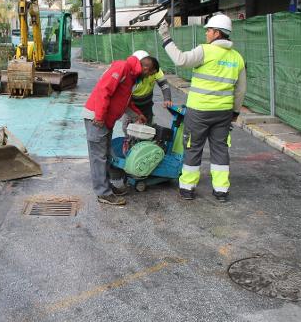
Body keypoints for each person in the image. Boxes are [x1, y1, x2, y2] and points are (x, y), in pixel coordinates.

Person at [158, 14, 246, 202]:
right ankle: (221, 190)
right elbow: (240, 90)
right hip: (223, 113)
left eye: (209, 30)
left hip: (199, 112)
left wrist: (166, 38)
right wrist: (235, 113)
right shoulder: (237, 58)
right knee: (220, 149)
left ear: (217, 33)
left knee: (193, 147)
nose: (206, 33)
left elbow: (181, 60)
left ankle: (188, 188)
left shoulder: (205, 51)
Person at [83, 55, 157, 205]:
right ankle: (103, 193)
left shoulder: (131, 76)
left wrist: (138, 115)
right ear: (147, 68)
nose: (149, 77)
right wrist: (99, 115)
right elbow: (104, 90)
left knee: (105, 154)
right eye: (151, 73)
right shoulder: (122, 67)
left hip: (104, 120)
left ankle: (107, 188)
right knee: (99, 157)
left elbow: (125, 102)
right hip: (97, 118)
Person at [122, 51, 173, 132]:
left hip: (147, 106)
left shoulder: (154, 69)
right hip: (131, 105)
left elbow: (163, 84)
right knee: (127, 129)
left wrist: (167, 98)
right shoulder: (130, 72)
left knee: (148, 130)